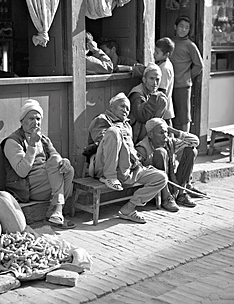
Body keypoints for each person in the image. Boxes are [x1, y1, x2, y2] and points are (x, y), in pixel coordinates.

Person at [87, 92, 168, 224]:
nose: (126, 111)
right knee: (114, 132)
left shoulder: (126, 125)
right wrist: (120, 135)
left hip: (127, 168)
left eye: (128, 109)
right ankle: (110, 176)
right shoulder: (101, 120)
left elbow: (130, 150)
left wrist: (136, 158)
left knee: (161, 178)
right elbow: (103, 143)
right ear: (111, 106)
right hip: (106, 166)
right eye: (122, 107)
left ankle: (129, 208)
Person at [1, 99, 76, 229]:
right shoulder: (12, 142)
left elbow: (55, 155)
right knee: (56, 167)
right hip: (28, 187)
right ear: (22, 121)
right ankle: (57, 210)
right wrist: (31, 145)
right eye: (31, 119)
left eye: (38, 119)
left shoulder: (43, 139)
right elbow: (21, 171)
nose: (35, 122)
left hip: (48, 181)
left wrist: (65, 162)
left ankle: (55, 212)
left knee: (68, 169)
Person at [136, 118, 206, 208]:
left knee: (191, 151)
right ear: (150, 134)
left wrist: (174, 131)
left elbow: (195, 141)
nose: (165, 135)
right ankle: (166, 198)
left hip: (172, 180)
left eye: (166, 132)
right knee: (160, 152)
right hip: (155, 186)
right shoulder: (142, 148)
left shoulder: (170, 142)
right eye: (161, 133)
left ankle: (181, 193)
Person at [170, 16, 204, 132]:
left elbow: (199, 65)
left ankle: (186, 143)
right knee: (170, 114)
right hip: (169, 84)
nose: (183, 30)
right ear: (175, 27)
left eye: (187, 28)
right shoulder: (170, 43)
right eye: (181, 26)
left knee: (184, 117)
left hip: (183, 86)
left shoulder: (190, 45)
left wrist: (187, 76)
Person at [128, 62, 167, 145]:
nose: (155, 83)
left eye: (157, 79)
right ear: (144, 79)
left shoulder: (155, 94)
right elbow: (142, 117)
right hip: (136, 135)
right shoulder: (137, 94)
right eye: (151, 79)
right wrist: (153, 98)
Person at [154, 37, 175, 126]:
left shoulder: (165, 68)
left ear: (166, 55)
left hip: (163, 109)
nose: (154, 54)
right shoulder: (161, 64)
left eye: (157, 52)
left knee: (166, 130)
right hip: (164, 108)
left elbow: (162, 91)